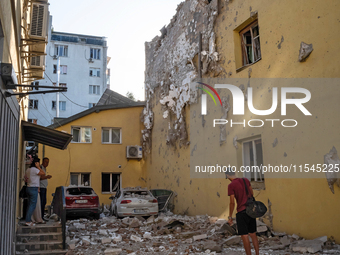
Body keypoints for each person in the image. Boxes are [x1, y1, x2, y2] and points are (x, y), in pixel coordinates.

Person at [226, 168, 259, 255]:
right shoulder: (245, 180)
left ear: (227, 175)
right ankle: (257, 253)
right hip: (251, 210)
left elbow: (232, 202)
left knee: (245, 235)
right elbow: (251, 193)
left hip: (242, 212)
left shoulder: (231, 185)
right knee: (253, 234)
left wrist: (230, 217)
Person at [25, 157, 50, 226]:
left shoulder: (28, 169)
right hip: (33, 188)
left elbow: (25, 178)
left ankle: (29, 219)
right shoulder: (35, 170)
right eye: (38, 163)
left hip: (28, 187)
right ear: (36, 163)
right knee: (32, 205)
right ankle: (28, 221)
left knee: (30, 205)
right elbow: (43, 173)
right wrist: (38, 167)